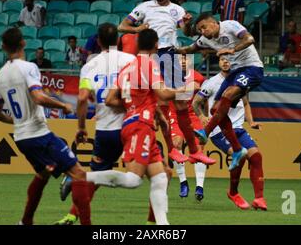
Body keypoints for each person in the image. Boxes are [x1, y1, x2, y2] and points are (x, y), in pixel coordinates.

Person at [85, 28, 196, 225]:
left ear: (137, 45)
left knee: (162, 177)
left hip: (137, 122)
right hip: (140, 125)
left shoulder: (128, 66)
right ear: (156, 45)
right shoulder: (149, 64)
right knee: (134, 180)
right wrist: (187, 88)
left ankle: (160, 226)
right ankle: (84, 178)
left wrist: (132, 105)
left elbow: (110, 99)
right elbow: (163, 94)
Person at [0, 27, 93, 225]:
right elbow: (38, 97)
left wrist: (16, 122)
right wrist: (62, 104)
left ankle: (25, 221)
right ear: (23, 43)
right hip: (38, 133)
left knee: (43, 174)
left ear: (3, 47)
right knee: (80, 174)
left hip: (21, 137)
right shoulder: (28, 67)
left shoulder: (0, 76)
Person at [118, 0, 215, 165]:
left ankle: (194, 151)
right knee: (156, 104)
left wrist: (187, 23)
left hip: (170, 56)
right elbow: (122, 26)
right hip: (150, 55)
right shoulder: (144, 7)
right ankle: (171, 149)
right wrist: (139, 28)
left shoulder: (177, 10)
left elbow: (186, 33)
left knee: (181, 104)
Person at [55, 23, 135, 225]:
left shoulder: (89, 65)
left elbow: (82, 98)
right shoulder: (131, 60)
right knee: (155, 171)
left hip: (105, 129)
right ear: (118, 40)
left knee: (96, 176)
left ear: (98, 41)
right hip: (130, 125)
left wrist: (81, 127)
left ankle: (72, 213)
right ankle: (155, 224)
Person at [176, 13, 264, 170]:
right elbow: (190, 47)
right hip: (235, 72)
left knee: (228, 95)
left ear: (214, 23)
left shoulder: (230, 25)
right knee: (216, 108)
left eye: (204, 27)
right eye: (200, 29)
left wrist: (232, 50)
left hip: (252, 68)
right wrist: (176, 50)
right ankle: (237, 150)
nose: (202, 31)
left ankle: (206, 130)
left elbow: (250, 39)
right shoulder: (206, 39)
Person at [192, 56, 267, 210]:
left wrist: (251, 121)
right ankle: (233, 192)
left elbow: (245, 103)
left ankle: (259, 198)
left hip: (238, 128)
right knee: (242, 155)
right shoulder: (211, 83)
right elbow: (196, 102)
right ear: (218, 63)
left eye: (228, 60)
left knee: (257, 156)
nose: (226, 62)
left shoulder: (241, 80)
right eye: (222, 60)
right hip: (220, 131)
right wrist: (202, 117)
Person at [168, 54, 208, 200]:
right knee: (176, 144)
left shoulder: (198, 77)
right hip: (174, 113)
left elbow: (205, 99)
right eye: (180, 58)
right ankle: (183, 183)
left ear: (190, 60)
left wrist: (205, 115)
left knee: (199, 149)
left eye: (186, 58)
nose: (183, 61)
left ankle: (199, 187)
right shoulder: (169, 76)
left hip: (192, 115)